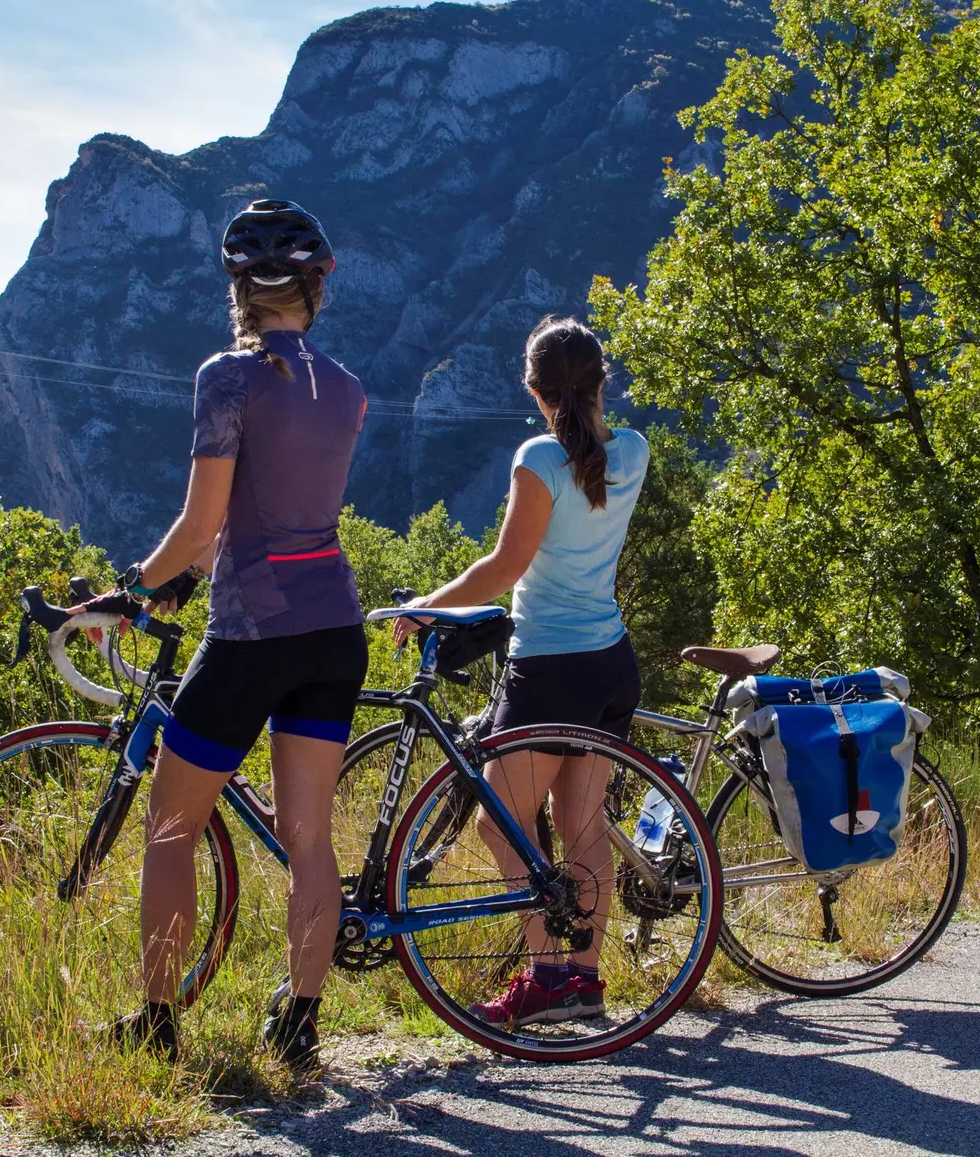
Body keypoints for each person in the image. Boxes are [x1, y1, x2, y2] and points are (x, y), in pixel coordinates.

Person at [86, 199, 369, 1070]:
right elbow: (281, 515)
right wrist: (192, 573)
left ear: (237, 287)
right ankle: (299, 1029)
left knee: (171, 827)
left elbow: (203, 525)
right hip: (335, 627)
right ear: (322, 283)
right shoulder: (350, 387)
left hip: (252, 635)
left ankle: (160, 1026)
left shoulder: (228, 376)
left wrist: (130, 591)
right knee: (311, 838)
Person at [393, 315, 649, 1027]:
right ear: (601, 383)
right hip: (610, 663)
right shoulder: (633, 450)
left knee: (499, 828)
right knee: (582, 825)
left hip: (548, 668)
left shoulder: (539, 458)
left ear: (537, 392)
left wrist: (423, 606)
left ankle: (544, 976)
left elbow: (504, 569)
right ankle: (584, 980)